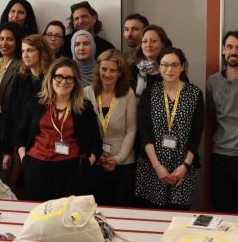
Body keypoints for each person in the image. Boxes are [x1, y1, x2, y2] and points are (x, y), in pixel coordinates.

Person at [17, 57, 102, 201]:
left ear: (75, 82)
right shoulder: (37, 103)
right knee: (39, 216)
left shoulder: (84, 107)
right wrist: (24, 159)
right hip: (37, 167)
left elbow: (96, 142)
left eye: (69, 78)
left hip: (71, 170)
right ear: (51, 78)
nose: (63, 82)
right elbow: (20, 134)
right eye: (59, 77)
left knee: (67, 216)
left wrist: (87, 163)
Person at [134, 47, 204, 210]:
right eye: (165, 65)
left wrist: (184, 166)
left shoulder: (194, 93)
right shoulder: (149, 93)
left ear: (182, 67)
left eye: (174, 65)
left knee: (177, 220)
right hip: (151, 167)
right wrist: (157, 167)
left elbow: (196, 133)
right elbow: (144, 132)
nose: (169, 70)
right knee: (151, 220)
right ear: (159, 67)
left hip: (181, 169)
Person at [84, 50, 137, 207]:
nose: (107, 74)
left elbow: (131, 130)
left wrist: (118, 158)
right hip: (95, 161)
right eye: (104, 69)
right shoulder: (86, 93)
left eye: (112, 70)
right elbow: (83, 131)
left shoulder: (128, 94)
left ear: (120, 73)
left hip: (122, 163)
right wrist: (95, 155)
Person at [2, 34, 53, 191]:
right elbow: (10, 115)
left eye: (30, 50)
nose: (25, 54)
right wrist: (7, 150)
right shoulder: (21, 77)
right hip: (20, 143)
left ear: (42, 52)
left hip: (44, 143)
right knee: (17, 187)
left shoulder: (52, 79)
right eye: (23, 51)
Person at [207, 30, 238, 213]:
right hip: (221, 157)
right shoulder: (212, 82)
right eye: (230, 47)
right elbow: (212, 118)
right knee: (221, 211)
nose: (234, 52)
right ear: (223, 50)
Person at [0, 22, 23, 170]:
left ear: (18, 42)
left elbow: (16, 111)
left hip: (7, 127)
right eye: (1, 39)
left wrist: (8, 149)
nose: (4, 43)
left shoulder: (20, 67)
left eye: (9, 39)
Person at [0, 0, 38, 65]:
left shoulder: (34, 42)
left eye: (20, 12)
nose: (15, 16)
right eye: (12, 11)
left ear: (27, 17)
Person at [131, 25, 172, 101]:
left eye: (153, 41)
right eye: (145, 41)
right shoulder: (132, 68)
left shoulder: (171, 68)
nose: (148, 45)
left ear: (163, 44)